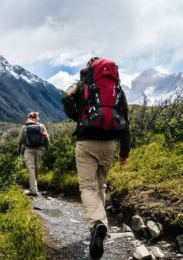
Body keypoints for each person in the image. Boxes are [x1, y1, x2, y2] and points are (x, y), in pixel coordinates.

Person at [62, 57, 130, 259]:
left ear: (89, 68)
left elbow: (66, 97)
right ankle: (100, 225)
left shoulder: (83, 84)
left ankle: (97, 224)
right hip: (110, 143)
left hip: (87, 141)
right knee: (101, 185)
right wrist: (125, 150)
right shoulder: (116, 88)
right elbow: (125, 118)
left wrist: (78, 116)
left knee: (87, 187)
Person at [17, 112, 50, 196]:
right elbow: (47, 138)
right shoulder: (41, 126)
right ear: (36, 118)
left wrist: (19, 150)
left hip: (28, 150)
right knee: (37, 168)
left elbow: (19, 140)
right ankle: (35, 188)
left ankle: (33, 190)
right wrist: (47, 148)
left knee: (31, 169)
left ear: (29, 117)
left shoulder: (25, 126)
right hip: (39, 150)